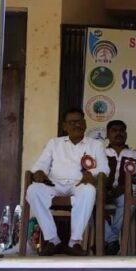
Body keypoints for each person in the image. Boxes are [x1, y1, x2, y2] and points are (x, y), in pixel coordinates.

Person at [26, 108, 109, 256]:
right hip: (55, 183)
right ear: (64, 126)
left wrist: (92, 173)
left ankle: (74, 242)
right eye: (72, 122)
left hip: (79, 184)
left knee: (89, 191)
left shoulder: (96, 145)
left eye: (79, 121)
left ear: (85, 123)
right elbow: (40, 166)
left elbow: (104, 168)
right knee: (33, 190)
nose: (76, 125)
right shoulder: (54, 143)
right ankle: (53, 240)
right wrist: (39, 172)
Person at [102, 119, 136, 255]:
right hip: (102, 193)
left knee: (130, 200)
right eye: (114, 130)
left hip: (123, 194)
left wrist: (124, 188)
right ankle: (112, 239)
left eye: (122, 131)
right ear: (107, 135)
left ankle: (108, 240)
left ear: (126, 134)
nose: (118, 133)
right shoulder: (100, 153)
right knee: (87, 201)